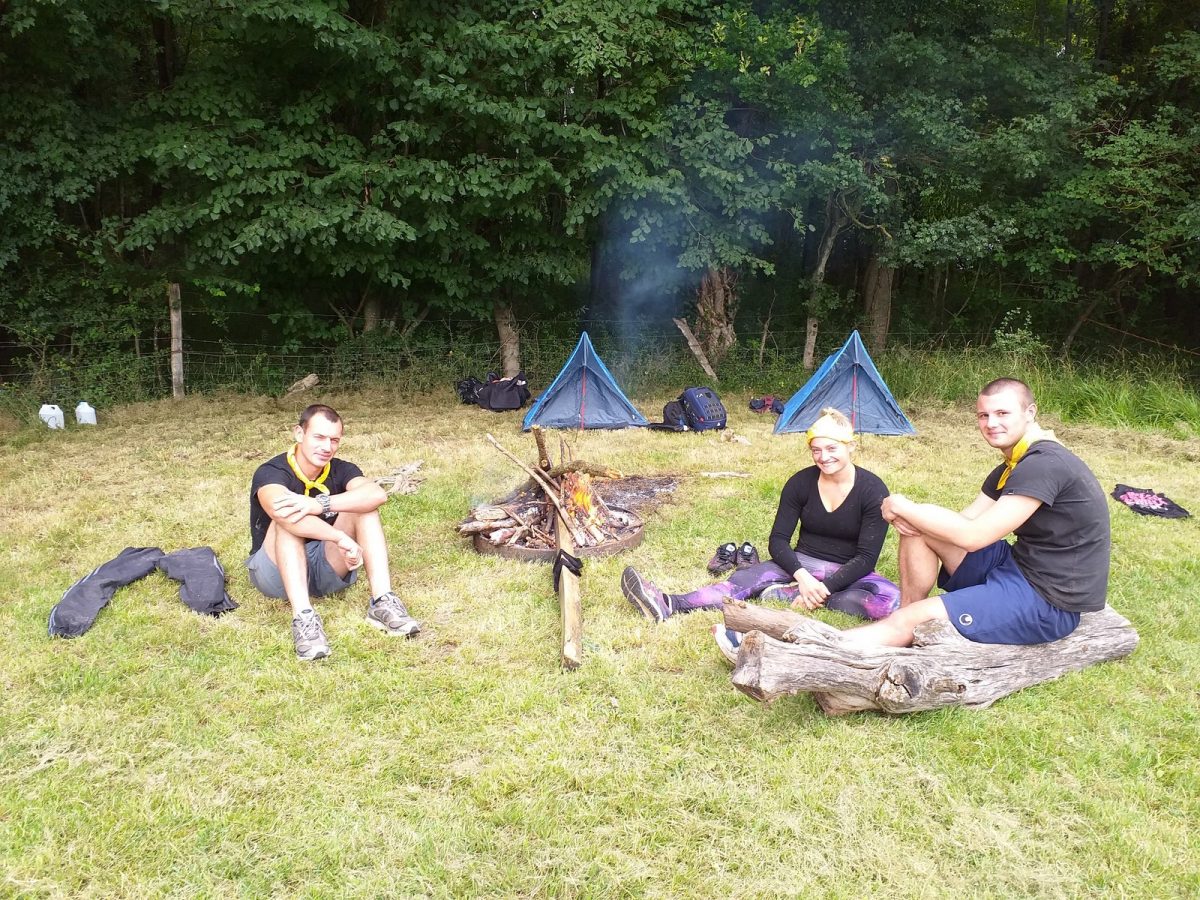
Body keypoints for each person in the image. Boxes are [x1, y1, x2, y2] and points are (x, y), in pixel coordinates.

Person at [840, 377, 1110, 648]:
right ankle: (906, 618)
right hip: (1019, 568)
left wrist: (904, 507)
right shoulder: (1015, 464)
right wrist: (910, 513)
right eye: (983, 415)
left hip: (1047, 601)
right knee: (922, 529)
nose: (991, 423)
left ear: (1030, 413)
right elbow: (963, 521)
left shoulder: (1044, 464)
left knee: (911, 617)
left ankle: (829, 648)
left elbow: (974, 536)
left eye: (1002, 413)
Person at [620, 408, 900, 643]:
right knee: (741, 582)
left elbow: (866, 558)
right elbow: (778, 541)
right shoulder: (800, 483)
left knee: (891, 601)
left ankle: (787, 594)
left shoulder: (872, 490)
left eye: (831, 448)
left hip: (848, 569)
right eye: (816, 450)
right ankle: (670, 603)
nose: (823, 457)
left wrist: (821, 590)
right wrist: (804, 578)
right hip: (801, 564)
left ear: (850, 446)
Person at [246, 404, 420, 660]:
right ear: (299, 433)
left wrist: (320, 504)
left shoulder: (340, 469)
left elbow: (376, 494)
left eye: (334, 440)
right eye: (319, 437)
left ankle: (382, 601)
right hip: (275, 572)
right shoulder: (273, 471)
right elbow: (280, 510)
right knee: (287, 517)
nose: (327, 447)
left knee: (365, 508)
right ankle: (304, 619)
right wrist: (339, 537)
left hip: (323, 566)